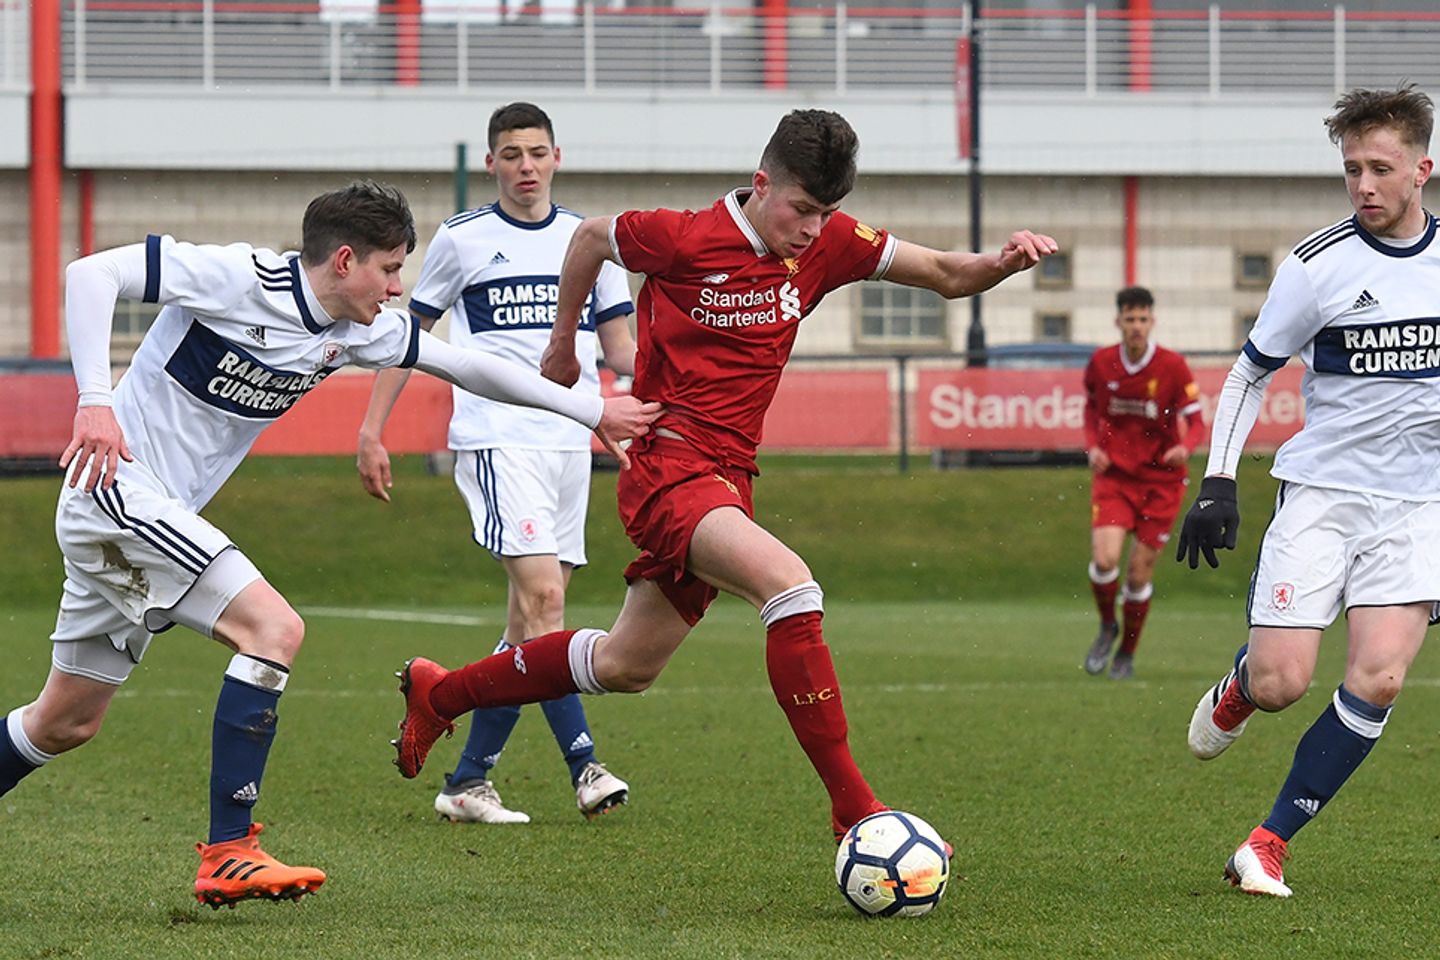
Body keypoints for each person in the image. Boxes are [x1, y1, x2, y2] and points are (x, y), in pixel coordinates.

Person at [388, 109, 1057, 840]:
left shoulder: (829, 242)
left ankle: (442, 693)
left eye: (824, 213)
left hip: (730, 478)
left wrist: (1002, 263)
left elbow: (942, 273)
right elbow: (588, 239)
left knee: (624, 665)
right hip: (668, 464)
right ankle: (854, 807)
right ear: (762, 182)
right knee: (791, 586)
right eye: (800, 208)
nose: (811, 228)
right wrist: (562, 343)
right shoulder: (680, 235)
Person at [0, 180, 659, 909]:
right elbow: (90, 274)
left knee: (64, 723)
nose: (399, 286)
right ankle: (229, 851)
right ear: (345, 261)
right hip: (115, 492)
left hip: (144, 519)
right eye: (390, 268)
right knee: (273, 628)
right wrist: (95, 401)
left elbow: (471, 367)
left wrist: (591, 407)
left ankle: (219, 845)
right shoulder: (239, 278)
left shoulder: (359, 332)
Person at [1178, 84, 1439, 898]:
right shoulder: (1316, 265)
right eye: (1351, 169)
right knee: (1285, 682)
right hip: (1323, 495)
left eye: (1380, 169)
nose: (1364, 185)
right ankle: (1243, 686)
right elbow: (1249, 374)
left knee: (1382, 676)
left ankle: (1266, 843)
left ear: (1423, 170)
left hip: (1420, 506)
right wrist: (1218, 481)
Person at [357, 103, 636, 824]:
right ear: (491, 163)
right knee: (547, 604)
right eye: (511, 154)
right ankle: (586, 765)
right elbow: (404, 338)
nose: (526, 166)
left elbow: (622, 352)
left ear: (557, 157)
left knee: (526, 626)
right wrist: (372, 430)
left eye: (537, 152)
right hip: (496, 437)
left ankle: (468, 779)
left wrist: (643, 416)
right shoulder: (461, 239)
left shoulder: (590, 241)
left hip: (570, 444)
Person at [1081, 286, 1203, 680]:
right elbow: (1089, 407)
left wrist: (1186, 446)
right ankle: (1106, 626)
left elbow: (1198, 421)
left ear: (1152, 322)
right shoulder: (1101, 363)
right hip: (1115, 477)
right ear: (1118, 321)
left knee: (1137, 576)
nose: (1136, 326)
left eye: (1143, 319)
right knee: (1104, 561)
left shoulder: (1172, 366)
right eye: (1130, 319)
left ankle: (1126, 654)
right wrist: (1091, 447)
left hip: (1161, 483)